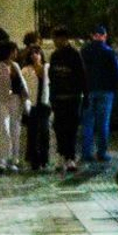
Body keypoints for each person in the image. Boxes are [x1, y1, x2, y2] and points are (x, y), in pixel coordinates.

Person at [80, 22, 118, 166]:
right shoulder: (109, 52)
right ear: (104, 36)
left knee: (88, 123)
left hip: (89, 91)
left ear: (93, 36)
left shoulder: (85, 51)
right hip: (106, 91)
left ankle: (86, 153)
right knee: (103, 123)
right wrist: (115, 88)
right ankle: (102, 152)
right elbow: (116, 73)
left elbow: (80, 71)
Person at [0, 35, 26, 173]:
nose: (16, 53)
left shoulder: (16, 66)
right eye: (14, 50)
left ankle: (14, 159)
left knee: (15, 130)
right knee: (4, 130)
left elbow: (22, 84)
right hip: (1, 102)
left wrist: (25, 100)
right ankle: (3, 159)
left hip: (15, 101)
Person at [47, 28, 84, 172]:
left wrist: (83, 94)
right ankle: (61, 155)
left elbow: (81, 75)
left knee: (71, 129)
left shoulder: (74, 55)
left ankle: (70, 157)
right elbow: (52, 76)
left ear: (64, 38)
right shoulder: (55, 56)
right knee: (59, 128)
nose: (55, 42)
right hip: (59, 98)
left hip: (72, 98)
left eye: (56, 39)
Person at [20, 31, 50, 171]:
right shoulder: (26, 70)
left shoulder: (47, 68)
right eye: (32, 54)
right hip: (31, 104)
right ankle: (34, 159)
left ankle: (44, 157)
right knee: (32, 132)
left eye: (37, 53)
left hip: (44, 104)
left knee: (44, 131)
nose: (35, 56)